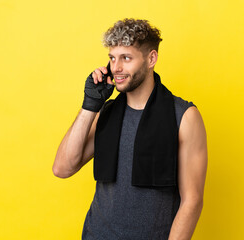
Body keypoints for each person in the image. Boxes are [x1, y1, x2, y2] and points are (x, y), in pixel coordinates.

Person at [52, 18, 208, 240]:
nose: (116, 68)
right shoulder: (106, 112)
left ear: (151, 58)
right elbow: (63, 168)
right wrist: (90, 105)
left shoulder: (184, 116)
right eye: (112, 58)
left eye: (126, 58)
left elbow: (192, 200)